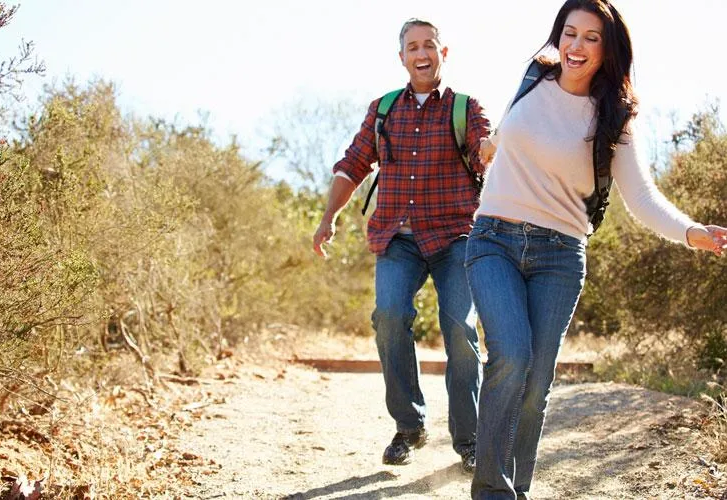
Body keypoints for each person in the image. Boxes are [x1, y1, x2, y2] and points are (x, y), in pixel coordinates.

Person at [466, 1, 727, 498]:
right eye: (569, 33)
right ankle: (491, 491)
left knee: (537, 381)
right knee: (512, 355)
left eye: (590, 37)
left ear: (608, 50)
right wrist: (490, 147)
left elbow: (642, 197)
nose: (575, 46)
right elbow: (508, 133)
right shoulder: (532, 78)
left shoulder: (614, 119)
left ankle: (516, 488)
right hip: (493, 238)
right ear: (557, 36)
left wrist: (691, 232)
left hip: (560, 255)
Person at [312, 18, 491, 473]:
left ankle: (470, 440)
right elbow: (353, 164)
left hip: (455, 238)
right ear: (402, 57)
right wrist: (328, 217)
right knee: (389, 317)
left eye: (429, 44)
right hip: (396, 236)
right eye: (412, 46)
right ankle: (409, 427)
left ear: (443, 53)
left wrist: (491, 148)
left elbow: (483, 151)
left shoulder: (466, 108)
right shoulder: (383, 109)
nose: (421, 52)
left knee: (461, 332)